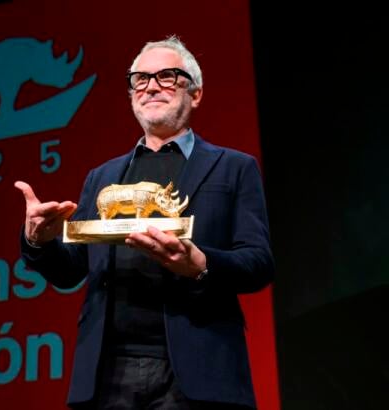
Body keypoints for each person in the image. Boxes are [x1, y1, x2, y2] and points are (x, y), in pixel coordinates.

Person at [15, 35, 274, 409]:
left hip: (197, 371)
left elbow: (258, 262)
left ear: (195, 93)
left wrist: (201, 265)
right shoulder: (102, 177)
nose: (151, 86)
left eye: (166, 76)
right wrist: (38, 241)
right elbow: (71, 270)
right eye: (140, 79)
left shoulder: (234, 167)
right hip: (107, 375)